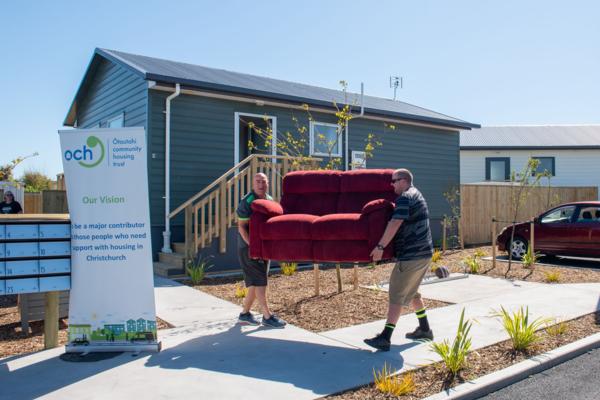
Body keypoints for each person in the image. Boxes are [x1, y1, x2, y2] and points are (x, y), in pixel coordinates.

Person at [364, 168, 434, 351]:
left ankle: (385, 338)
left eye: (394, 181)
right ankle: (425, 329)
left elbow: (395, 222)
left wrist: (380, 247)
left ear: (403, 180)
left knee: (396, 293)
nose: (391, 184)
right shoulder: (417, 194)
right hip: (424, 253)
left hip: (412, 254)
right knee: (412, 292)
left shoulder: (405, 197)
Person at [236, 172, 287, 328]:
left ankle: (245, 314)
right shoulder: (247, 202)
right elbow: (241, 228)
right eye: (258, 181)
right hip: (248, 248)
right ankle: (267, 316)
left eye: (263, 181)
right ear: (253, 183)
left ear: (268, 183)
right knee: (260, 282)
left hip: (264, 248)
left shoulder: (269, 200)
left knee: (254, 283)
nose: (260, 184)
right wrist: (253, 247)